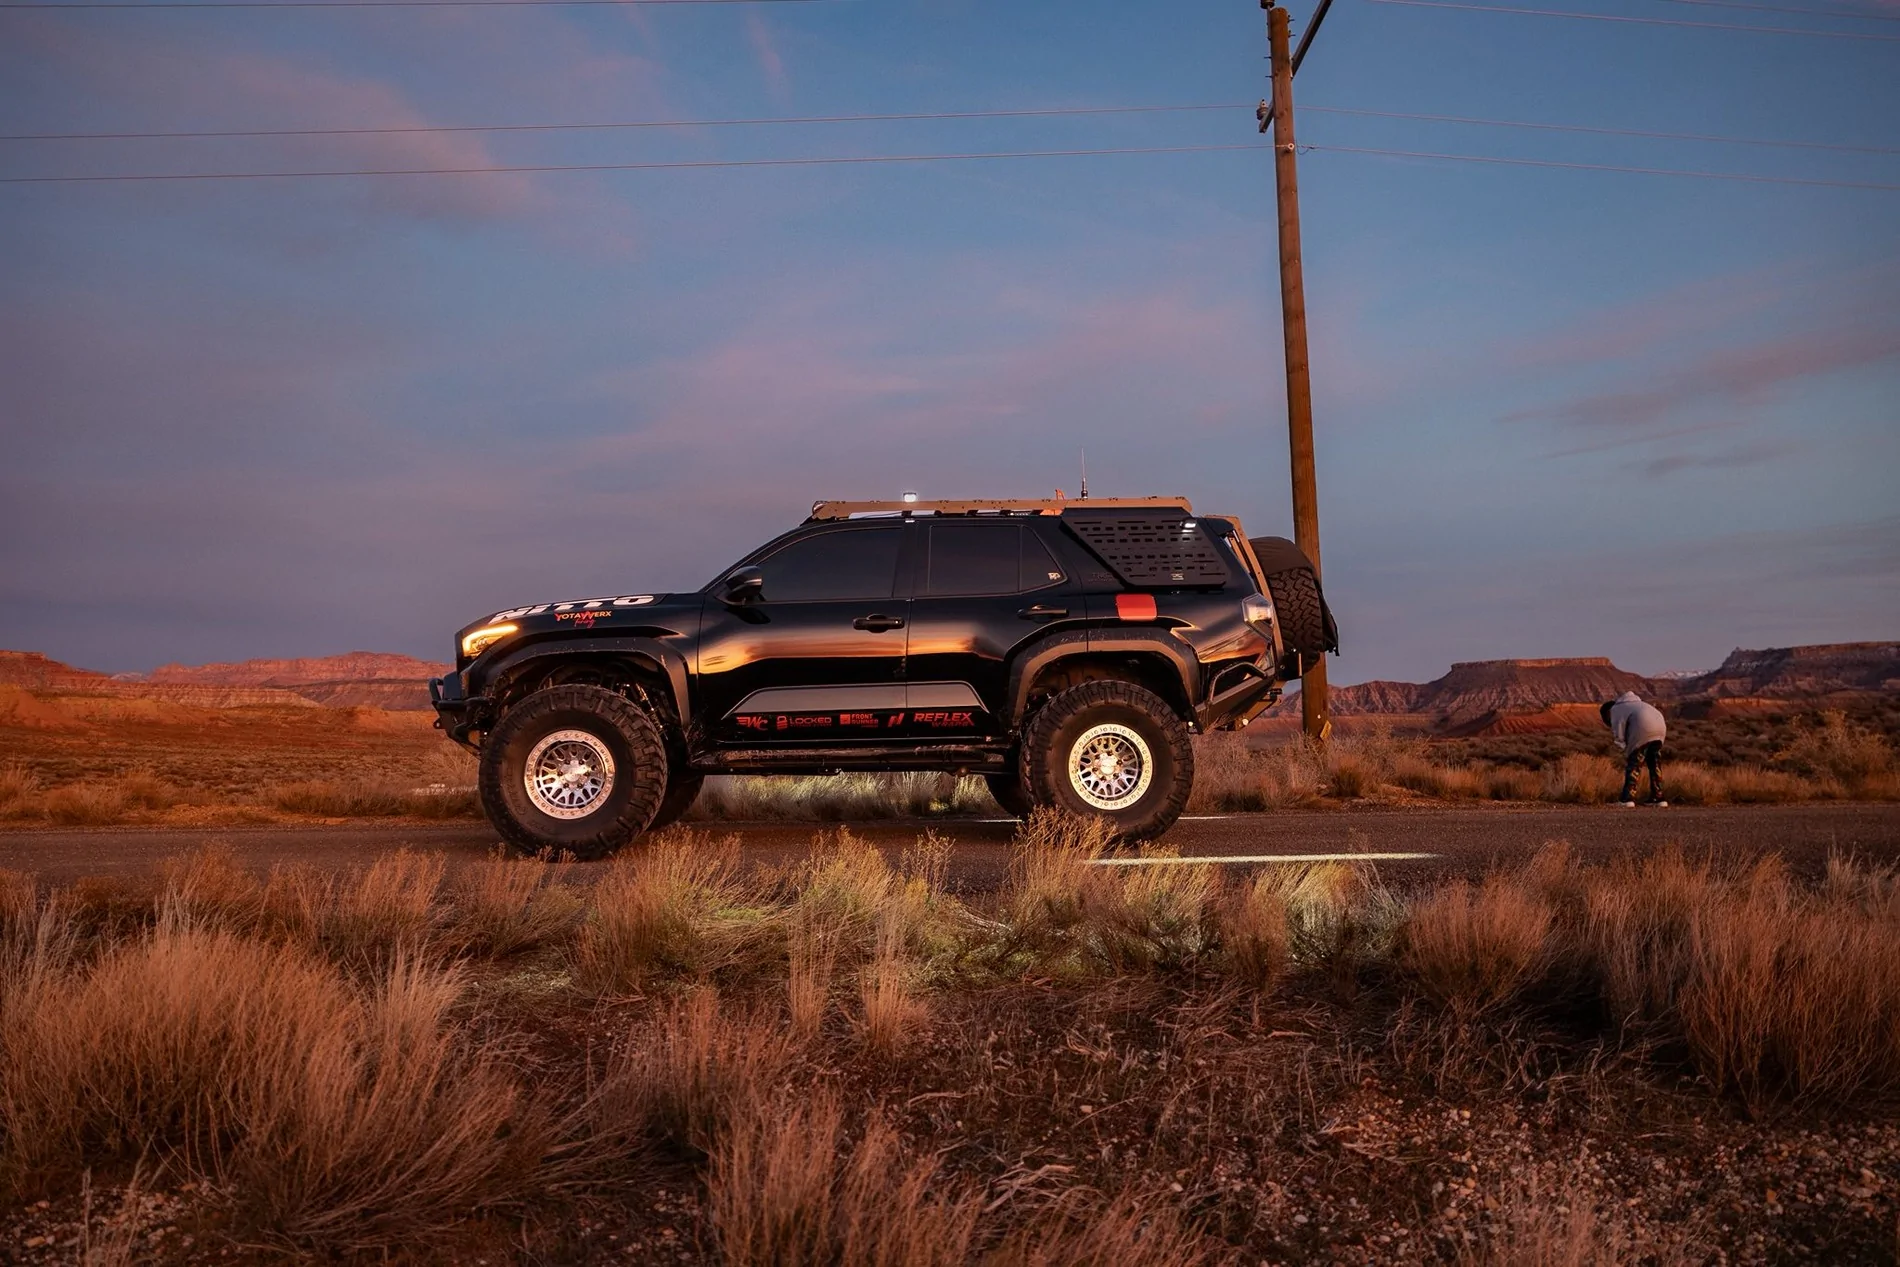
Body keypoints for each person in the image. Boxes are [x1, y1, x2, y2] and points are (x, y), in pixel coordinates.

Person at [1600, 691, 1667, 807]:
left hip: (1643, 728)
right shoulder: (1638, 704)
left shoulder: (1616, 709)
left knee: (1634, 764)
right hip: (1660, 727)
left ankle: (1627, 799)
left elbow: (1618, 732)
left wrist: (1623, 747)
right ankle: (1659, 798)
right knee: (1655, 764)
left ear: (1607, 712)